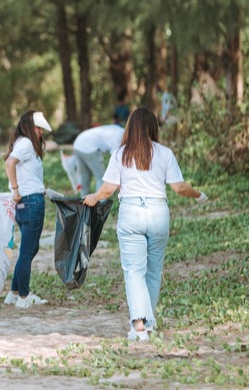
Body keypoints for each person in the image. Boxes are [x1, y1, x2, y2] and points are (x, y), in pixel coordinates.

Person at [83, 107, 207, 341]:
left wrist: (94, 197)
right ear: (153, 127)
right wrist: (199, 194)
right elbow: (180, 188)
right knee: (153, 271)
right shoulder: (165, 153)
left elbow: (108, 189)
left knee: (134, 271)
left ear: (130, 127)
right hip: (158, 212)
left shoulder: (121, 154)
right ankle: (148, 323)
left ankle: (139, 326)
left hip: (131, 214)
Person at [3, 110, 52, 309]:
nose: (40, 131)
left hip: (27, 201)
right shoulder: (26, 143)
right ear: (28, 126)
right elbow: (9, 163)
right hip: (30, 202)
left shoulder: (23, 143)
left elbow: (25, 172)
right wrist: (15, 189)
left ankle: (14, 293)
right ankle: (24, 296)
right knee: (28, 250)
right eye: (37, 127)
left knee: (28, 249)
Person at [72, 124, 125, 193]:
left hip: (78, 143)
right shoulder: (122, 137)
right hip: (89, 147)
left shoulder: (119, 129)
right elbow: (115, 158)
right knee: (102, 178)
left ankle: (83, 201)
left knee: (85, 175)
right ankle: (101, 202)